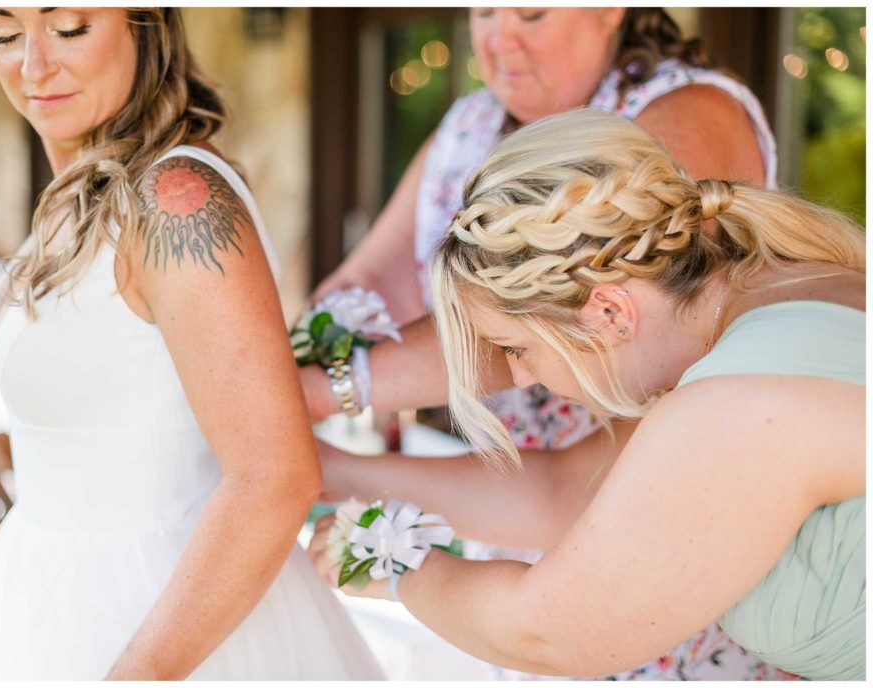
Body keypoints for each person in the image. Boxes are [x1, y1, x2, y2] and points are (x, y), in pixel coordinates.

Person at [303, 8, 786, 680]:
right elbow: (375, 278)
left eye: (530, 11)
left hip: (646, 554)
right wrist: (294, 356)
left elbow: (548, 312)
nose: (499, 40)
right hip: (515, 524)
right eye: (482, 11)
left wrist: (319, 392)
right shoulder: (471, 121)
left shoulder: (686, 113)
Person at [0, 8, 381, 680]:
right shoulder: (74, 196)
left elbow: (275, 476)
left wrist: (135, 676)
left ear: (143, 22)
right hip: (42, 602)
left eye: (70, 27)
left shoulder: (180, 200)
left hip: (163, 625)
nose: (31, 66)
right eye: (3, 32)